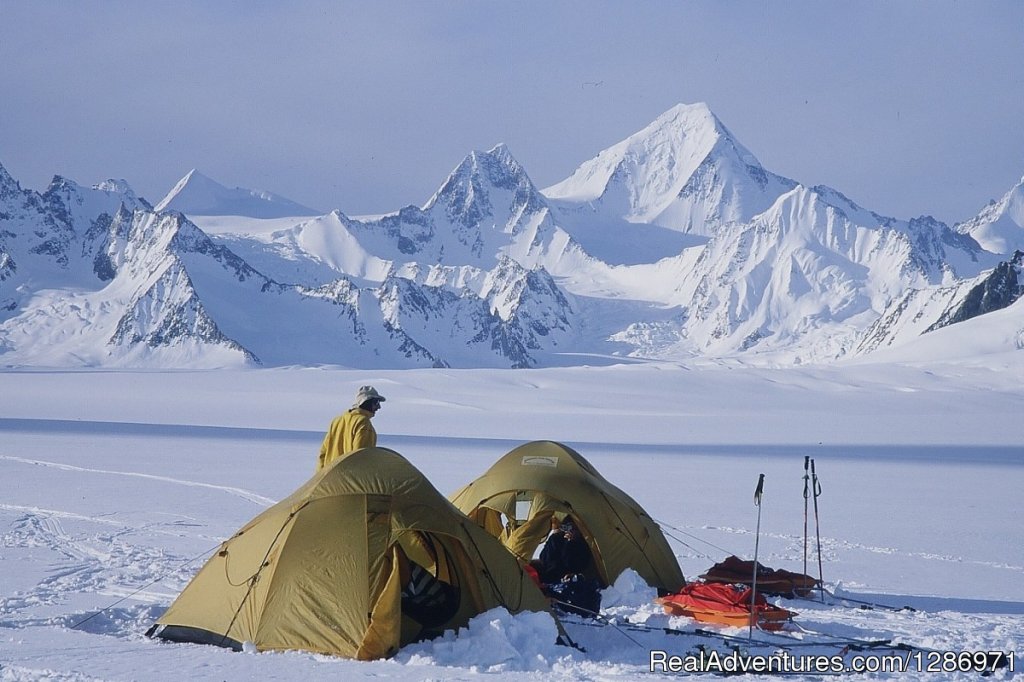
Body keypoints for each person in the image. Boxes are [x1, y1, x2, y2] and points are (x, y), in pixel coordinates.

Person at [317, 385, 386, 471]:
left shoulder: (337, 421)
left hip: (331, 478)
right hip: (349, 479)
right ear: (366, 402)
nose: (379, 407)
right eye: (376, 403)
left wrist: (320, 477)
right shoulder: (362, 422)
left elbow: (323, 454)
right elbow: (360, 457)